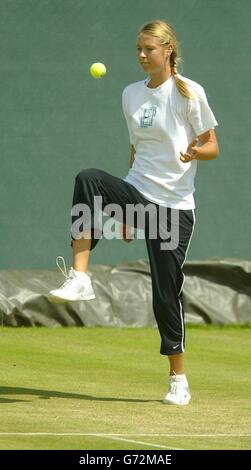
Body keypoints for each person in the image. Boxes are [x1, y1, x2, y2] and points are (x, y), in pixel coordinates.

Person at [49, 20, 219, 405]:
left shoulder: (190, 93)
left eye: (149, 50)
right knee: (88, 179)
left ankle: (178, 378)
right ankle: (80, 276)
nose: (141, 56)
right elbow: (137, 150)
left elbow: (212, 145)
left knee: (165, 294)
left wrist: (195, 152)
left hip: (174, 211)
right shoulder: (130, 94)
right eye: (138, 50)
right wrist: (126, 210)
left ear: (167, 51)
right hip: (140, 193)